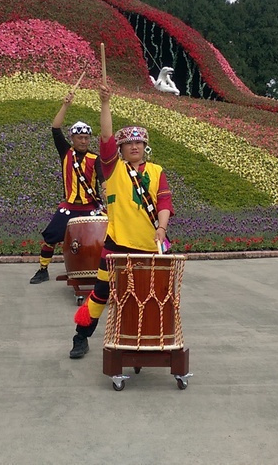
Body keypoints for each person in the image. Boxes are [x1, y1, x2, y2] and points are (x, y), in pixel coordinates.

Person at [69, 84, 174, 359]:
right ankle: (81, 336)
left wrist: (161, 229)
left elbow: (164, 203)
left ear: (145, 146)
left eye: (139, 143)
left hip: (151, 248)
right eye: (129, 144)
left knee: (153, 298)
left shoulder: (156, 171)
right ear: (122, 149)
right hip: (116, 247)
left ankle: (150, 342)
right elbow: (105, 137)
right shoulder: (112, 168)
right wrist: (105, 103)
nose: (135, 147)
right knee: (101, 293)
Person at [29, 90, 103, 284]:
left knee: (105, 238)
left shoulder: (95, 159)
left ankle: (102, 272)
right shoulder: (65, 153)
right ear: (73, 138)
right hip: (69, 206)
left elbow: (103, 181)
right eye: (80, 138)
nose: (84, 141)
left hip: (91, 207)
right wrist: (65, 105)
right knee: (51, 236)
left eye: (87, 138)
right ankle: (43, 269)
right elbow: (55, 129)